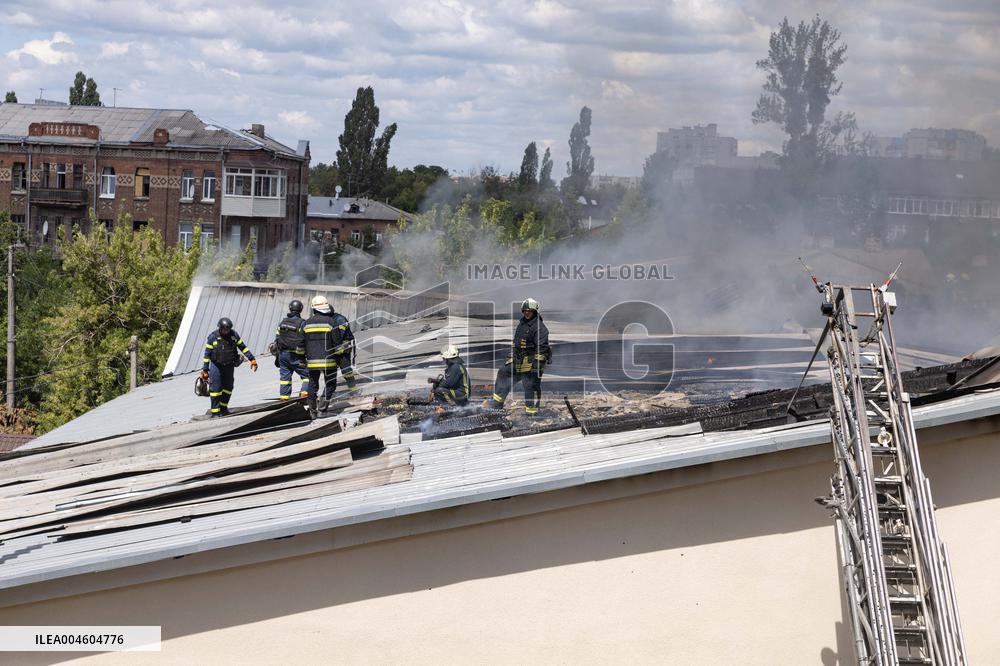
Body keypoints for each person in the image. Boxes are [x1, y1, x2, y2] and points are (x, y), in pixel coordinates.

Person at [485, 298, 550, 415]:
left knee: (529, 385)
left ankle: (531, 412)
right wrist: (512, 356)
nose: (526, 313)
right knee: (503, 373)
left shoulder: (540, 327)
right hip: (518, 359)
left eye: (529, 310)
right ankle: (497, 404)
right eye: (524, 310)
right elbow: (517, 342)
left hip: (531, 360)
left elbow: (543, 347)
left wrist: (536, 365)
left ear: (534, 311)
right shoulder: (522, 323)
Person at [302, 294, 357, 417]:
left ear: (313, 309)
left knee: (312, 385)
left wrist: (303, 358)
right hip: (329, 361)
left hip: (311, 362)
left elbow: (301, 345)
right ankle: (322, 409)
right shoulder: (332, 322)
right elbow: (337, 346)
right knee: (330, 384)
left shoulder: (306, 323)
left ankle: (312, 412)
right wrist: (342, 353)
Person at [200, 317, 257, 417]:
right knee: (215, 390)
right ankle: (215, 412)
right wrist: (205, 370)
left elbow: (243, 347)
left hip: (229, 366)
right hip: (216, 366)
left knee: (228, 388)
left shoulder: (234, 335)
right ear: (219, 328)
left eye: (228, 330)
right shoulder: (212, 337)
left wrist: (252, 359)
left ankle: (223, 409)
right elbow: (207, 355)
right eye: (224, 330)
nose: (226, 332)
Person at [272, 299, 310, 401]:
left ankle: (284, 398)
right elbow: (305, 339)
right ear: (301, 309)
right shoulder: (302, 323)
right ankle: (304, 393)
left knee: (285, 378)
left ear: (290, 308)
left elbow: (277, 338)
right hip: (296, 355)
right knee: (308, 375)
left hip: (283, 355)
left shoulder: (282, 322)